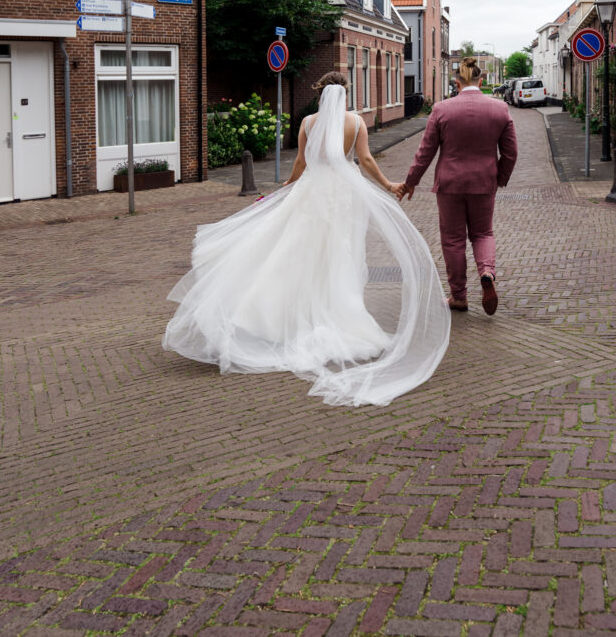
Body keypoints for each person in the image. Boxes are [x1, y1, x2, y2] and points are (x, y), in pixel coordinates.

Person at [163, 73, 450, 407]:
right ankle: (339, 313)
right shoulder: (355, 122)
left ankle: (289, 318)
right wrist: (388, 186)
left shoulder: (308, 123)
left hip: (312, 193)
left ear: (320, 93)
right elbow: (366, 160)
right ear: (344, 94)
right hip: (343, 196)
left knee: (299, 255)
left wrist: (287, 185)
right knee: (340, 256)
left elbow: (300, 162)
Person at [401, 57, 518, 315]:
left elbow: (425, 152)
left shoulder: (442, 109)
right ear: (482, 80)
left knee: (453, 240)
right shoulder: (500, 109)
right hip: (484, 182)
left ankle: (459, 297)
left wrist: (411, 182)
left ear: (456, 83)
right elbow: (510, 152)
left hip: (449, 184)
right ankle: (487, 272)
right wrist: (499, 178)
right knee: (483, 233)